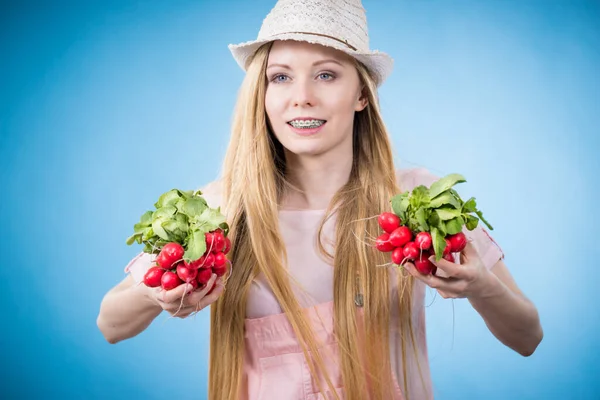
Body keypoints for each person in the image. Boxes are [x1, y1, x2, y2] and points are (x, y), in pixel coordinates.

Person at [96, 1, 543, 399]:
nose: (301, 97)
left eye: (326, 74)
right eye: (281, 77)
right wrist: (159, 296)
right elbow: (111, 324)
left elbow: (527, 336)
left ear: (362, 94)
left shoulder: (418, 204)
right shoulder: (216, 210)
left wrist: (482, 287)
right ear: (263, 94)